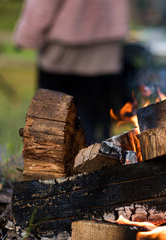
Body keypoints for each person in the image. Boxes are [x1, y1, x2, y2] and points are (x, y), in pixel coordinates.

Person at [13, 0, 130, 144]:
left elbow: (43, 5)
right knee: (97, 130)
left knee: (52, 127)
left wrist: (27, 36)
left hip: (64, 51)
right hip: (107, 46)